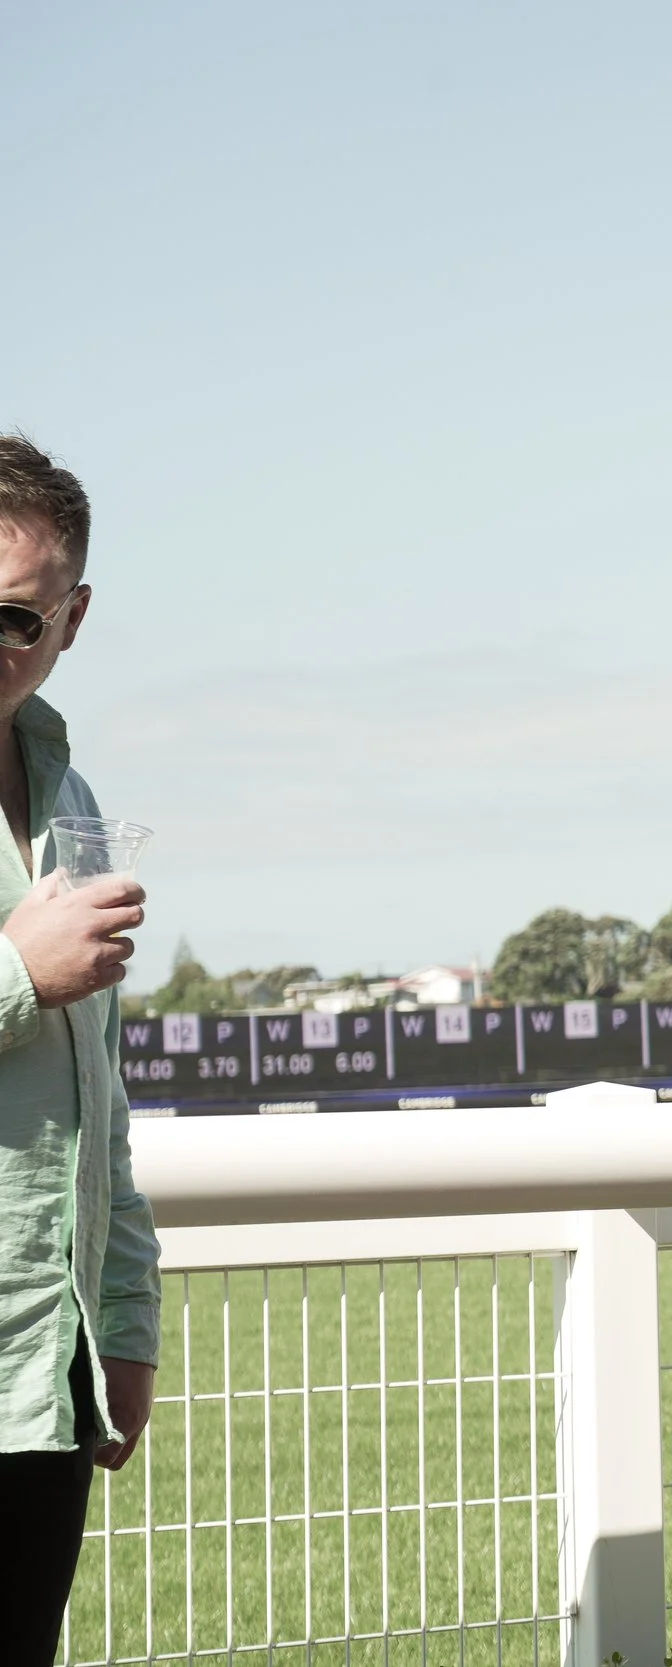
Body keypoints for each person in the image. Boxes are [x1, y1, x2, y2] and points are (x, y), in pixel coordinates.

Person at [0, 436, 160, 1664]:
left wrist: (125, 1312)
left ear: (72, 618)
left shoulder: (73, 801)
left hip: (42, 1381)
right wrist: (17, 971)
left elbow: (97, 1097)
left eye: (12, 618)